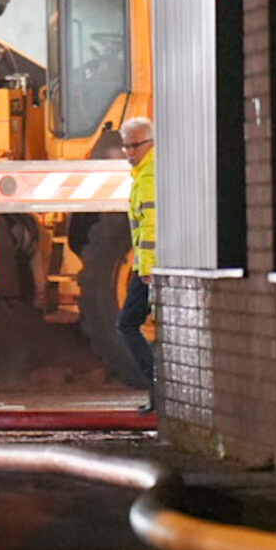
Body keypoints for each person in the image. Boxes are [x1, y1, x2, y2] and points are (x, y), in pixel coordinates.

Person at [117, 116, 157, 412]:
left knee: (127, 324)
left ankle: (158, 387)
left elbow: (152, 228)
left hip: (150, 271)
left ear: (150, 143)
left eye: (135, 146)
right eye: (126, 147)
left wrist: (147, 269)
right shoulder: (145, 173)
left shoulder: (149, 177)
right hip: (148, 269)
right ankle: (159, 392)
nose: (130, 153)